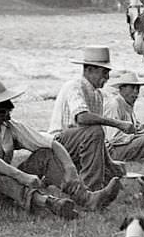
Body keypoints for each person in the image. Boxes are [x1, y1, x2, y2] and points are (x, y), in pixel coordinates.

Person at [0, 78, 122, 220]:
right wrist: (20, 175)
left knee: (44, 154)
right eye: (2, 109)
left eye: (8, 108)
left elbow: (51, 142)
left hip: (3, 185)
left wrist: (70, 170)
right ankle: (48, 203)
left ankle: (87, 198)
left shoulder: (9, 127)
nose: (8, 113)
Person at [48, 46, 130, 192]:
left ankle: (97, 185)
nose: (107, 77)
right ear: (89, 70)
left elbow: (95, 135)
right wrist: (118, 123)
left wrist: (110, 163)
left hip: (77, 144)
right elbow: (82, 118)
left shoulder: (97, 95)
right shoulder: (74, 86)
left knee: (111, 163)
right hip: (57, 144)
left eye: (108, 73)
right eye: (104, 72)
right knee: (95, 131)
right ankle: (90, 190)